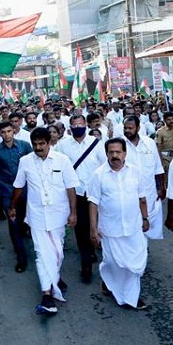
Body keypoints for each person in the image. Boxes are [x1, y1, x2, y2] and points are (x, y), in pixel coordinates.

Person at [11, 127, 80, 315]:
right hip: (37, 215)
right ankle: (47, 296)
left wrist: (73, 213)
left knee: (57, 253)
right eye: (35, 144)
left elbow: (71, 187)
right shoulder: (25, 161)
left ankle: (54, 277)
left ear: (49, 143)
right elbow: (18, 186)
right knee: (42, 254)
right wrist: (12, 207)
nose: (38, 148)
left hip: (58, 215)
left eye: (42, 144)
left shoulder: (62, 160)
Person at [87, 138, 151, 310]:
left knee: (133, 265)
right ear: (106, 154)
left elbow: (142, 198)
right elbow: (93, 203)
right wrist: (93, 229)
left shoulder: (135, 172)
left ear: (125, 153)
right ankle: (109, 280)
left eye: (118, 152)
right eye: (111, 152)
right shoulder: (99, 175)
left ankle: (131, 297)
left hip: (133, 227)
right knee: (113, 263)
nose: (115, 155)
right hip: (110, 229)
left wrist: (145, 218)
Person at [57, 115, 105, 283]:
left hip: (95, 193)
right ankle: (86, 265)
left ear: (85, 125)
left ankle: (94, 251)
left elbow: (104, 166)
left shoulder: (96, 143)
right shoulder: (63, 145)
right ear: (70, 128)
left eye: (80, 124)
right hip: (75, 194)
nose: (78, 127)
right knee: (80, 229)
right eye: (74, 125)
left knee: (96, 226)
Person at [0, 121, 32, 271]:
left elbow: (34, 165)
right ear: (0, 134)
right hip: (7, 191)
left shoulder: (24, 146)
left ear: (14, 131)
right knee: (13, 223)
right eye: (3, 132)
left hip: (27, 190)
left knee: (27, 221)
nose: (6, 134)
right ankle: (21, 258)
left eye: (9, 131)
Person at [118, 117, 166, 239]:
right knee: (131, 222)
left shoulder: (149, 143)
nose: (127, 130)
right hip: (128, 192)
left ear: (138, 128)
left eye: (130, 128)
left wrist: (161, 187)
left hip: (148, 191)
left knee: (147, 222)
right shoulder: (119, 145)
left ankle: (143, 246)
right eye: (125, 128)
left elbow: (158, 167)